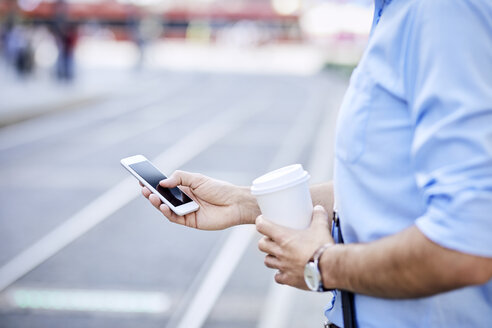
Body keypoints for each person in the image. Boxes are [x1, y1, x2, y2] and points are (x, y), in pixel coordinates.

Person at [141, 1, 492, 327]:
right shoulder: (402, 12)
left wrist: (321, 265)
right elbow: (392, 189)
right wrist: (242, 202)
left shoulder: (443, 11)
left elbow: (467, 244)